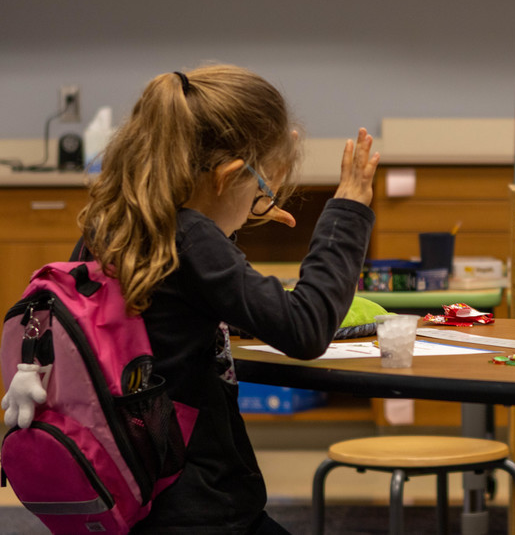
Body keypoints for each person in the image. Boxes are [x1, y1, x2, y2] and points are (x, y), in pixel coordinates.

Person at [76, 64, 380, 534]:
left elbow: (170, 308)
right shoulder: (192, 236)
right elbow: (305, 327)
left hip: (133, 487)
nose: (260, 206)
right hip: (200, 504)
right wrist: (348, 211)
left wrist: (237, 219)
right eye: (262, 194)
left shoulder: (113, 224)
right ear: (228, 176)